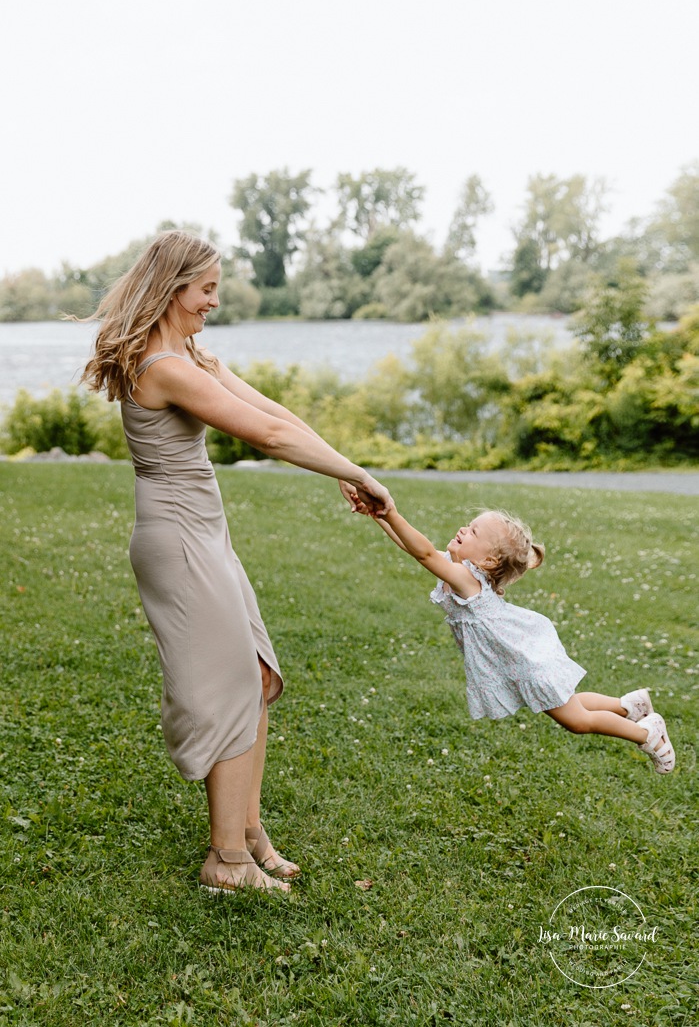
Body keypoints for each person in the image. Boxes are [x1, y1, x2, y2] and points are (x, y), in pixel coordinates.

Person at [80, 230, 394, 894]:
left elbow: (270, 413)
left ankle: (247, 831)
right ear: (172, 288)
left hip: (202, 534)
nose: (214, 302)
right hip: (179, 541)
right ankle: (225, 863)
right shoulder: (161, 368)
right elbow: (267, 437)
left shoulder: (186, 354)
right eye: (206, 289)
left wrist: (341, 465)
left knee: (255, 675)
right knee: (226, 687)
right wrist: (359, 473)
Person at [352, 497, 675, 774]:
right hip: (518, 654)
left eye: (473, 531)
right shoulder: (458, 568)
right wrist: (378, 515)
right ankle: (627, 705)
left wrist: (390, 511)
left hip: (524, 660)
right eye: (469, 525)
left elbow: (423, 553)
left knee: (576, 721)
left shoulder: (464, 577)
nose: (464, 529)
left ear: (489, 560)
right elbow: (415, 550)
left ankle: (647, 733)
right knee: (568, 703)